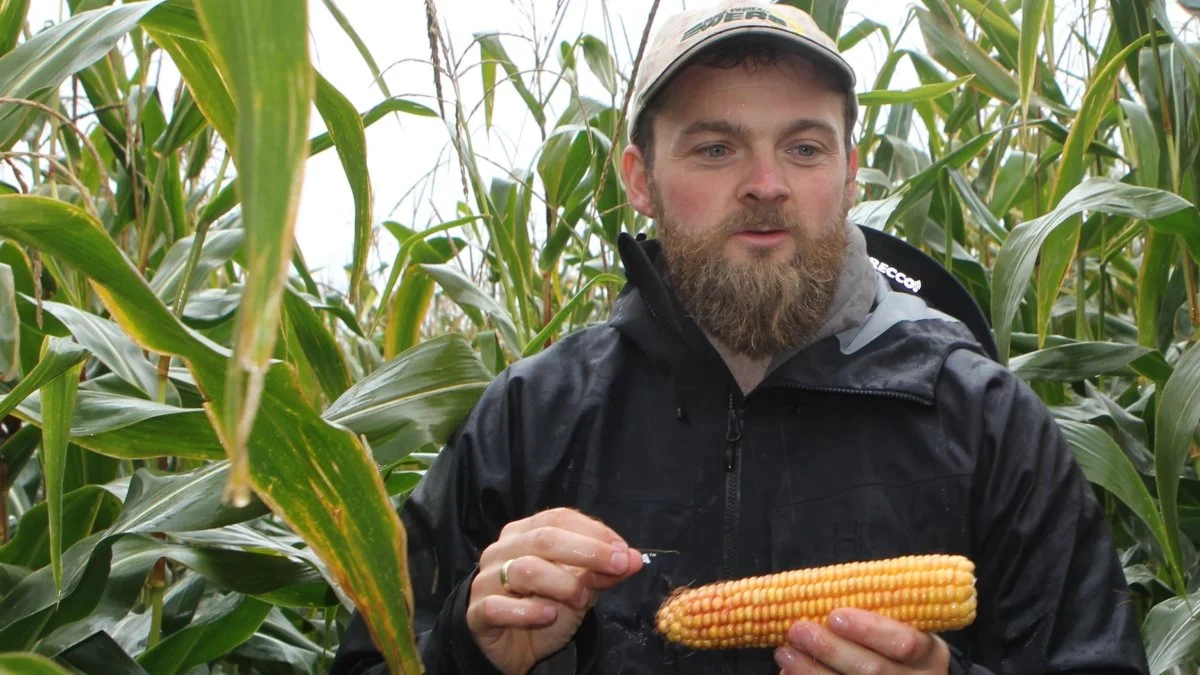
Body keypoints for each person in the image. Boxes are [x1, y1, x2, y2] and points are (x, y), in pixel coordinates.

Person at [330, 2, 1149, 673]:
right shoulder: (528, 421)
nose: (766, 184)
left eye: (803, 146)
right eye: (716, 147)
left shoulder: (986, 420)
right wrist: (465, 653)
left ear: (850, 171)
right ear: (640, 180)